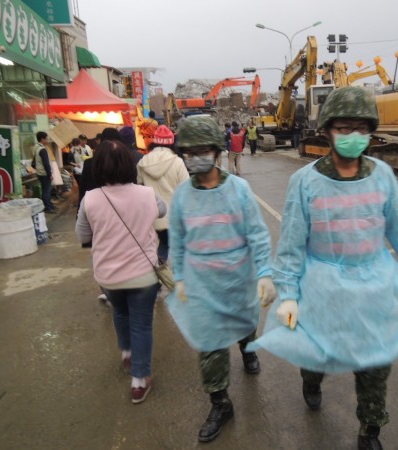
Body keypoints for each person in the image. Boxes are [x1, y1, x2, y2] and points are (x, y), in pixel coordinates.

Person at [249, 87, 398, 450]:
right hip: (323, 285)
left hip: (376, 283)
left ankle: (370, 429)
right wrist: (288, 294)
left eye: (361, 128)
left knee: (376, 360)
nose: (353, 136)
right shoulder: (305, 182)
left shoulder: (382, 175)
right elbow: (291, 244)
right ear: (329, 130)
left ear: (371, 131)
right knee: (319, 351)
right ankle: (311, 380)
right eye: (344, 128)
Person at [166, 115, 276, 443]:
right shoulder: (182, 196)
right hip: (202, 284)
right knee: (209, 344)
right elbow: (178, 239)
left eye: (203, 150)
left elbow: (256, 234)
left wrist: (264, 273)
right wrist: (181, 277)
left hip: (238, 278)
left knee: (244, 321)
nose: (196, 157)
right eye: (190, 151)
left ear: (216, 151)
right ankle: (220, 403)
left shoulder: (239, 190)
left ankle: (248, 348)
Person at [75, 139, 167, 404]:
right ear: (129, 164)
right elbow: (163, 210)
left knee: (121, 313)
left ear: (98, 168)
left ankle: (127, 353)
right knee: (141, 324)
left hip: (108, 277)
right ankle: (139, 380)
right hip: (143, 276)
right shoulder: (147, 194)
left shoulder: (90, 199)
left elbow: (82, 234)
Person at [137, 125, 189, 264]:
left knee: (164, 244)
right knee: (177, 247)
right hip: (174, 215)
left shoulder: (143, 162)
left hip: (153, 215)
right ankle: (176, 276)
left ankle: (159, 271)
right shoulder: (177, 162)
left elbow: (139, 186)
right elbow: (185, 189)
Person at [32, 131, 57, 214]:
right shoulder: (42, 149)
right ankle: (47, 207)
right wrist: (49, 174)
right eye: (46, 139)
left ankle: (49, 205)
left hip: (40, 172)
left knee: (45, 190)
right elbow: (46, 163)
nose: (47, 140)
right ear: (42, 139)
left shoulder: (36, 147)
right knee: (46, 191)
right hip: (44, 173)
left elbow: (34, 161)